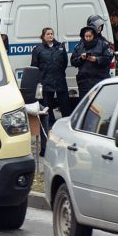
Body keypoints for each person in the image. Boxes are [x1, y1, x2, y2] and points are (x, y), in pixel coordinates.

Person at [30, 28, 69, 156]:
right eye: (48, 34)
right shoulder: (38, 49)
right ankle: (47, 142)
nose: (50, 35)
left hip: (59, 81)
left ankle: (67, 133)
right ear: (43, 36)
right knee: (47, 109)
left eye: (52, 34)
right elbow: (34, 66)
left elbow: (64, 63)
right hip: (46, 83)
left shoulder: (60, 47)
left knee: (65, 106)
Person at [71, 25, 112, 101]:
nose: (88, 38)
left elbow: (108, 59)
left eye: (90, 36)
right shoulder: (79, 47)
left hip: (99, 80)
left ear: (94, 36)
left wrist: (96, 59)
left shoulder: (103, 45)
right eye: (86, 36)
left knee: (100, 103)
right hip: (84, 82)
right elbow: (73, 62)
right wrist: (81, 58)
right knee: (84, 104)